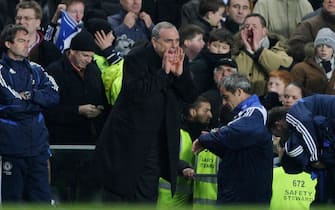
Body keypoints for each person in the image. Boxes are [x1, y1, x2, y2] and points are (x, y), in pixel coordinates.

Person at [95, 21, 198, 203]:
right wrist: (164, 73)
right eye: (168, 41)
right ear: (154, 41)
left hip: (157, 140)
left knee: (147, 194)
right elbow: (136, 94)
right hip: (128, 140)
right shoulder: (136, 58)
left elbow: (189, 95)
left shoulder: (181, 58)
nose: (174, 46)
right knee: (120, 193)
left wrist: (179, 75)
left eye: (177, 40)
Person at [44, 30, 109, 202]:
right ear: (72, 52)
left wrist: (100, 109)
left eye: (91, 56)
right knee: (63, 191)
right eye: (85, 55)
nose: (89, 60)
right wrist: (77, 110)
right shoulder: (54, 72)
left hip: (89, 143)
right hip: (62, 145)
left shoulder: (94, 70)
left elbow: (101, 97)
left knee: (87, 192)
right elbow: (48, 110)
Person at [0, 24, 59, 202]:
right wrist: (37, 104)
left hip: (38, 148)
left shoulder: (37, 69)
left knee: (41, 201)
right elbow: (11, 104)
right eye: (21, 41)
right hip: (11, 149)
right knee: (12, 202)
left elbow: (54, 95)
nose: (26, 45)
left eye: (28, 41)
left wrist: (31, 96)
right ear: (8, 44)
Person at [192, 73, 273, 204]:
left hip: (244, 197)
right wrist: (208, 142)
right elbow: (231, 147)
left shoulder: (254, 113)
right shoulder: (243, 116)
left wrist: (205, 139)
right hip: (237, 192)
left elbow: (235, 133)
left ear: (239, 92)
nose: (224, 103)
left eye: (226, 97)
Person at [157, 96, 212, 207]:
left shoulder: (198, 136)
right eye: (206, 110)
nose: (210, 115)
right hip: (165, 201)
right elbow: (161, 158)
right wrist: (182, 167)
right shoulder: (177, 133)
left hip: (184, 201)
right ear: (193, 112)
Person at [233, 13, 293, 96]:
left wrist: (259, 51)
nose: (250, 29)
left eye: (254, 27)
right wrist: (248, 51)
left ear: (264, 31)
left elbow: (284, 67)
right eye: (246, 27)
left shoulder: (278, 47)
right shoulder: (235, 52)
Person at [14, 0, 61, 68]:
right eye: (18, 18)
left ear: (38, 22)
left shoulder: (50, 50)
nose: (21, 22)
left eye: (27, 18)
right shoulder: (5, 46)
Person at [290, 28, 335, 95]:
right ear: (315, 48)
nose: (323, 49)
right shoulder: (300, 68)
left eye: (328, 46)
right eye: (319, 46)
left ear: (333, 49)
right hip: (309, 104)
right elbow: (293, 93)